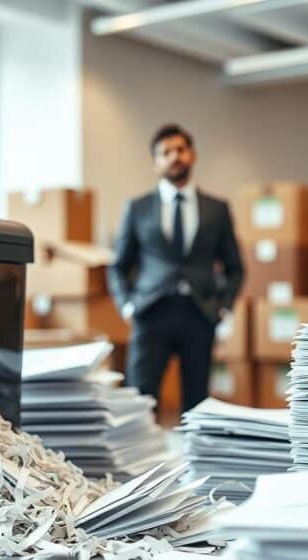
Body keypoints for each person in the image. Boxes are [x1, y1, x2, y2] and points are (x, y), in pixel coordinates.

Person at [107, 124, 245, 413]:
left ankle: (194, 457)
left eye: (180, 150)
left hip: (199, 312)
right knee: (139, 400)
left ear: (192, 155)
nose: (174, 157)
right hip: (150, 312)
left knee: (197, 403)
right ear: (155, 163)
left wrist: (224, 308)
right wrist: (127, 306)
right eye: (165, 152)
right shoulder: (137, 208)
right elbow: (118, 266)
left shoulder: (216, 209)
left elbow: (235, 267)